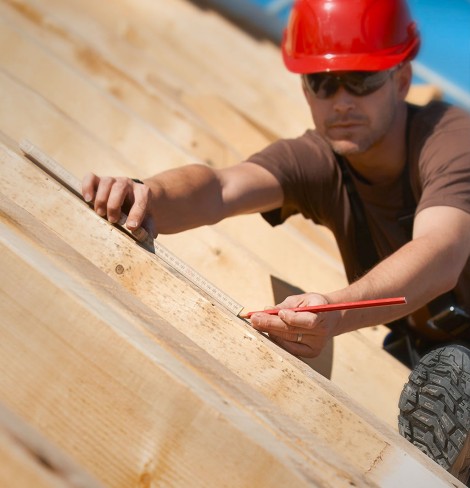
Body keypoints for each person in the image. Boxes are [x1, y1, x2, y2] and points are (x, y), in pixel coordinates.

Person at [82, 0, 470, 482]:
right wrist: (146, 196)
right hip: (435, 367)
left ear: (402, 79)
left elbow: (442, 252)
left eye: (362, 79)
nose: (342, 100)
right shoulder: (320, 161)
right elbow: (220, 188)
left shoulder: (451, 141)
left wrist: (333, 311)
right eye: (323, 82)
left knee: (447, 381)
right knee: (436, 384)